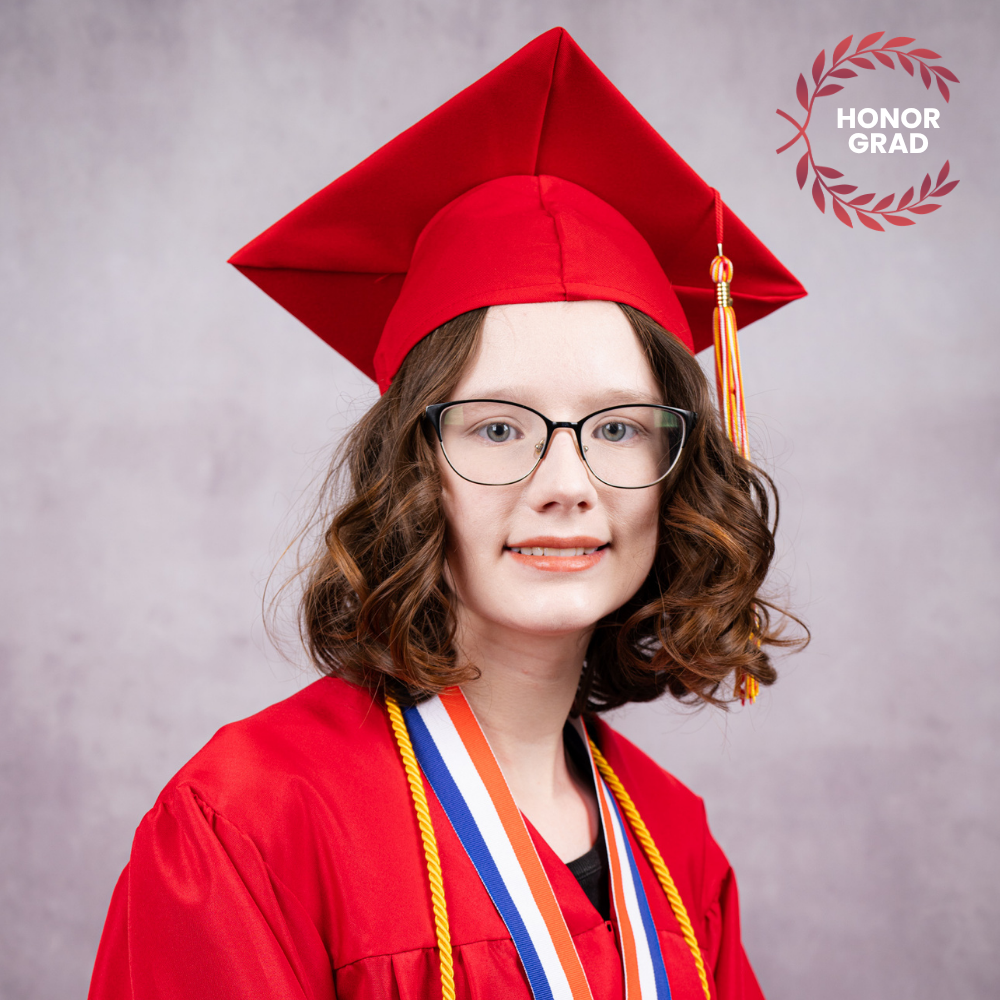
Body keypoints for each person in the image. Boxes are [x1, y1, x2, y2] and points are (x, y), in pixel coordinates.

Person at [88, 27, 807, 1000]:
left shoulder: (674, 844)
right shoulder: (250, 821)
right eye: (499, 428)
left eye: (620, 427)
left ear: (678, 472)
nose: (567, 481)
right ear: (412, 471)